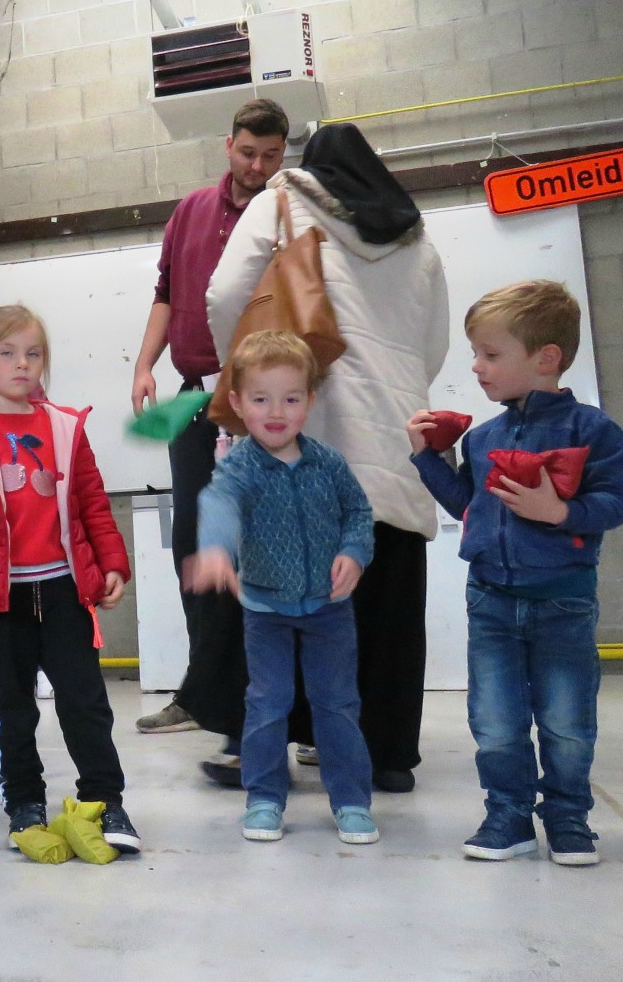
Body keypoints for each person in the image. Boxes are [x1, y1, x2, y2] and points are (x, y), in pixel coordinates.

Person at [206, 122, 448, 793]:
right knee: (391, 594)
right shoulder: (417, 238)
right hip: (398, 437)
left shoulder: (282, 199)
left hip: (315, 428)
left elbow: (225, 295)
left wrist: (259, 376)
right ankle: (389, 753)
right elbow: (434, 344)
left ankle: (263, 740)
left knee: (287, 597)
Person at [407, 280, 623, 866]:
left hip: (564, 602)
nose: (477, 367)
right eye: (476, 354)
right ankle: (507, 814)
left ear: (546, 358)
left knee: (566, 722)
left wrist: (558, 513)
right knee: (496, 720)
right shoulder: (482, 438)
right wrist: (427, 456)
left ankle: (568, 818)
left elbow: (614, 505)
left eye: (490, 354)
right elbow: (466, 506)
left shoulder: (594, 431)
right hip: (492, 600)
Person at [0, 305, 139, 856]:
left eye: (34, 354)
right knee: (12, 706)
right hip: (1, 596)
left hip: (65, 589)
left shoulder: (65, 427)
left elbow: (92, 502)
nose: (22, 365)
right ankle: (24, 801)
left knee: (85, 700)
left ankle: (105, 800)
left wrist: (113, 563)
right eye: (7, 353)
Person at [129, 100, 289, 754]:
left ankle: (286, 703)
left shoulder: (289, 211)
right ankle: (202, 691)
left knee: (269, 551)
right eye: (248, 152)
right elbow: (165, 292)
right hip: (193, 402)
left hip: (264, 407)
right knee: (196, 546)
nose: (257, 166)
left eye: (271, 155)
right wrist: (144, 365)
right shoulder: (192, 209)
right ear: (229, 144)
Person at [188, 332, 379, 845]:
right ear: (237, 403)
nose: (277, 411)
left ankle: (352, 801)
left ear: (310, 402)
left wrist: (354, 552)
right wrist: (215, 551)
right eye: (261, 399)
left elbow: (358, 514)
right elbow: (219, 504)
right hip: (265, 609)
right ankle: (265, 797)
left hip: (329, 608)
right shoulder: (239, 467)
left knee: (337, 703)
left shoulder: (329, 463)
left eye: (291, 398)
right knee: (267, 703)